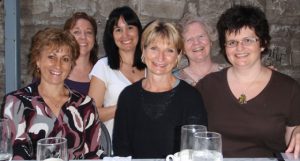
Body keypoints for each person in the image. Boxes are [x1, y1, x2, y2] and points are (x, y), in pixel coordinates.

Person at [196, 5, 300, 158]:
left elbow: (292, 143)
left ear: (263, 43)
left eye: (248, 40)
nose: (239, 48)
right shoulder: (208, 86)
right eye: (232, 42)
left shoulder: (288, 89)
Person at [1, 28, 102, 159]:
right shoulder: (16, 103)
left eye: (65, 59)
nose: (58, 65)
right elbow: (15, 154)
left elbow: (94, 154)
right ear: (38, 60)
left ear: (71, 64)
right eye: (51, 57)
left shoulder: (85, 104)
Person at [113, 20, 207, 158]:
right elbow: (121, 152)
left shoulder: (191, 97)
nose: (160, 57)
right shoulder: (128, 96)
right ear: (143, 51)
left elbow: (197, 153)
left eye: (169, 50)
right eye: (154, 48)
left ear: (178, 56)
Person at [88, 6, 145, 138]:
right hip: (116, 148)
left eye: (130, 27)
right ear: (112, 35)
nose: (125, 35)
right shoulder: (103, 67)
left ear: (138, 31)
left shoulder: (151, 66)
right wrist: (124, 106)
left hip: (148, 143)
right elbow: (91, 113)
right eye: (118, 30)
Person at [173, 14, 227, 86]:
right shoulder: (173, 81)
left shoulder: (229, 73)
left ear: (210, 40)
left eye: (201, 36)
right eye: (189, 39)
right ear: (183, 49)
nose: (196, 43)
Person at [63, 12, 99, 95]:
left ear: (94, 38)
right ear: (67, 37)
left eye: (88, 32)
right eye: (76, 32)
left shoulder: (103, 70)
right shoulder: (54, 69)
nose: (83, 37)